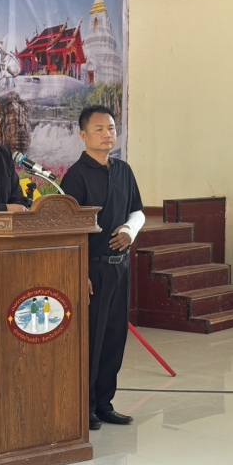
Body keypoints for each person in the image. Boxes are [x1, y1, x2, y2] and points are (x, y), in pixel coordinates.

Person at [60, 105, 145, 431]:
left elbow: (137, 211)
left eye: (111, 128)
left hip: (120, 268)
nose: (108, 134)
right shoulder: (75, 177)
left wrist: (129, 231)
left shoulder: (123, 170)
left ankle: (105, 403)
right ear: (83, 135)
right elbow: (70, 231)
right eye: (99, 129)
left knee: (114, 337)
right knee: (91, 341)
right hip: (91, 270)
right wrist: (77, 273)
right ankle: (85, 406)